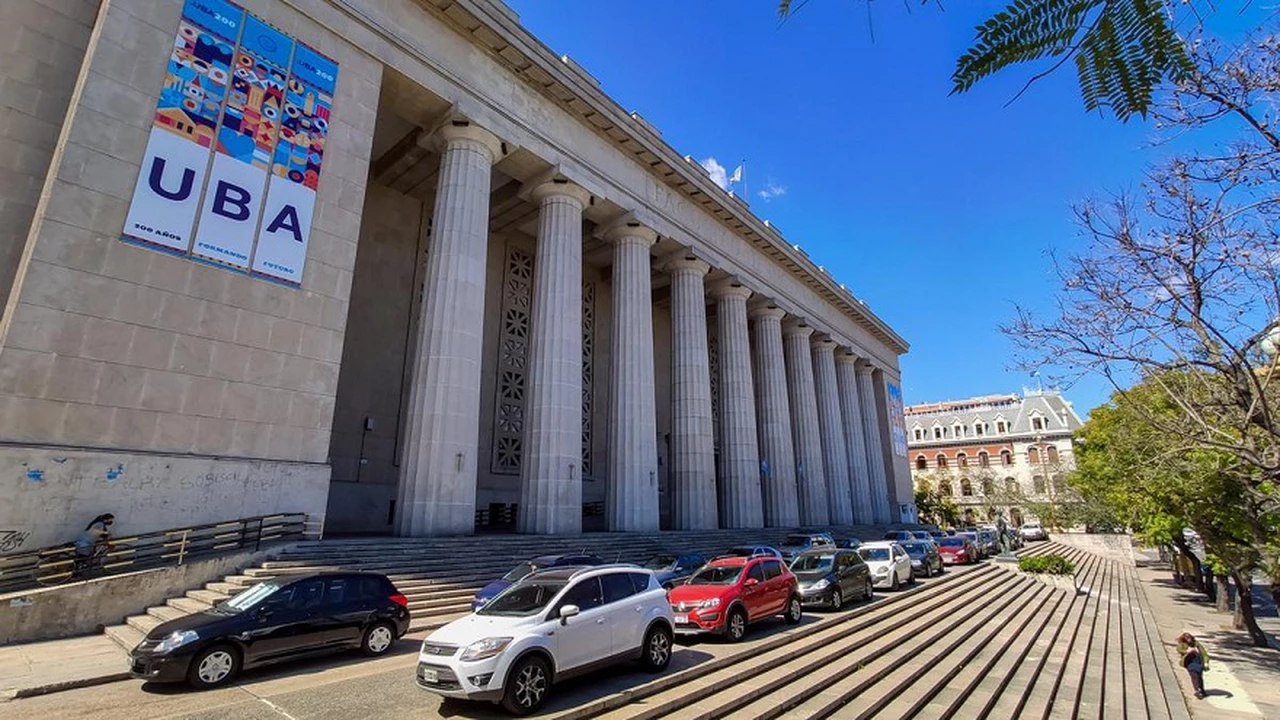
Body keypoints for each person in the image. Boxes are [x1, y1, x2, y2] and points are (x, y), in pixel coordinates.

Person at [1177, 632, 1209, 699]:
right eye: (1187, 638)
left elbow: (1204, 653)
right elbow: (1179, 649)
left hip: (1198, 661)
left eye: (1190, 638)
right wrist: (1187, 651)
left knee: (1199, 676)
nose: (1189, 640)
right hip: (1189, 662)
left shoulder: (1196, 644)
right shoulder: (1182, 644)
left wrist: (1206, 662)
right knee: (1194, 676)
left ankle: (1201, 689)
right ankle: (1197, 690)